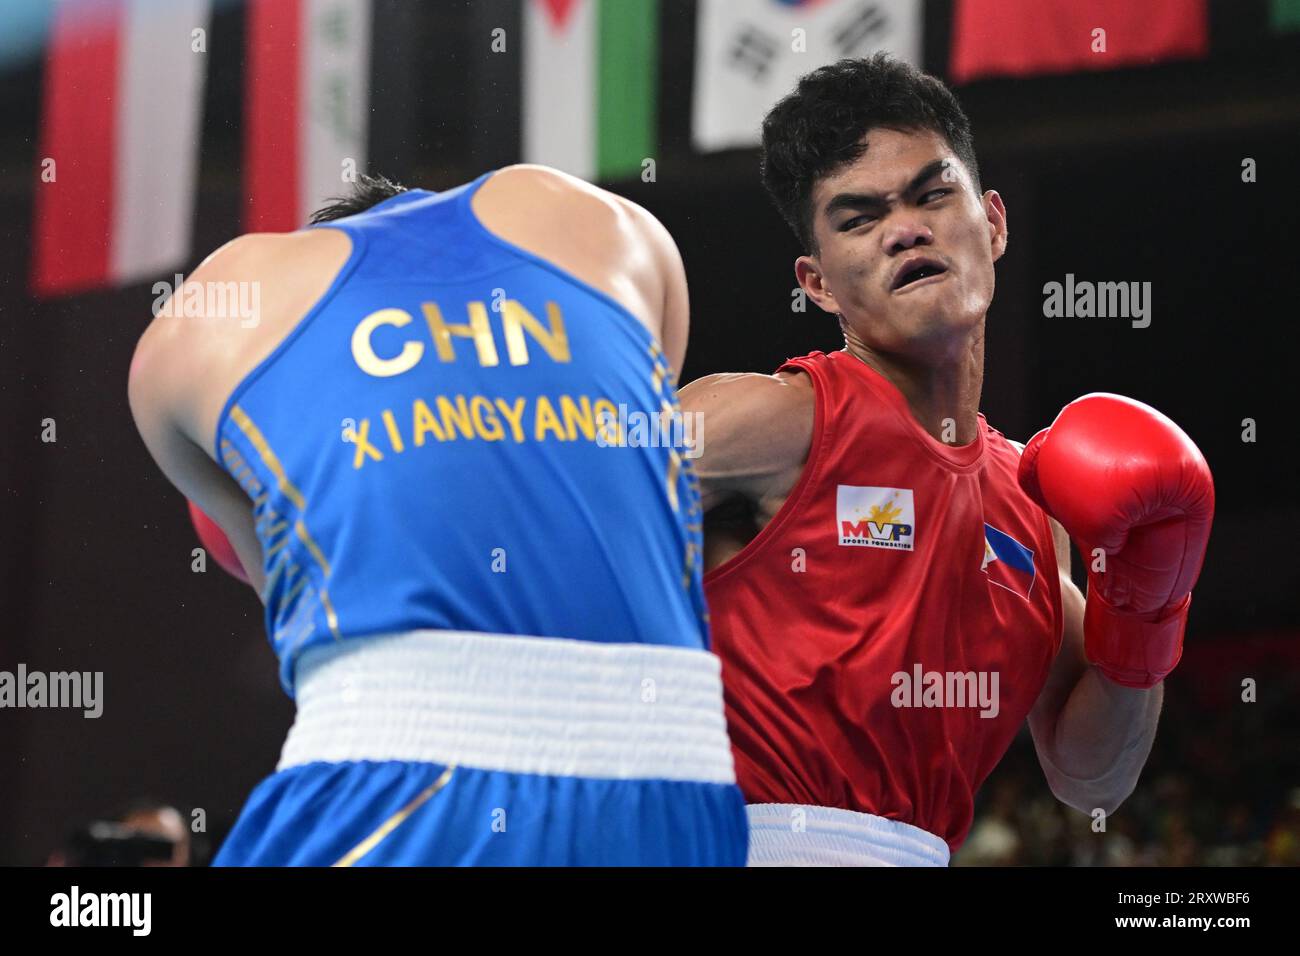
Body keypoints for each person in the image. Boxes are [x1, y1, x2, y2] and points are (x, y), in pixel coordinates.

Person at [679, 55, 1214, 866]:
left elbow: (1091, 776)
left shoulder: (1034, 509)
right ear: (818, 285)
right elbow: (541, 495)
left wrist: (1148, 606)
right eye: (859, 218)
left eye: (932, 194)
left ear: (993, 223)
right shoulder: (773, 420)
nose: (905, 228)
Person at [129, 165, 748, 865]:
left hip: (405, 768)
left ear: (316, 247)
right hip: (678, 781)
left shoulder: (209, 315)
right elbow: (627, 471)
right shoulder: (609, 225)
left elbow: (295, 615)